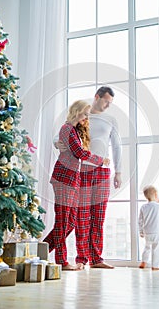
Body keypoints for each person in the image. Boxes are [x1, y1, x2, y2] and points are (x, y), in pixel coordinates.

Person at [56, 86, 122, 269]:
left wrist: (119, 172)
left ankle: (96, 258)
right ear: (97, 97)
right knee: (82, 216)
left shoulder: (110, 120)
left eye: (110, 103)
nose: (108, 105)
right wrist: (57, 143)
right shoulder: (82, 115)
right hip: (82, 171)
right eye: (106, 101)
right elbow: (61, 134)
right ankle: (82, 258)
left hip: (103, 172)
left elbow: (117, 147)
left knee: (99, 216)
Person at [43, 100, 110, 271]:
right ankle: (62, 262)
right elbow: (79, 153)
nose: (87, 117)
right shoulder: (67, 129)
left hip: (73, 179)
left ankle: (41, 251)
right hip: (63, 178)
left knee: (70, 222)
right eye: (85, 114)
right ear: (77, 111)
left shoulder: (74, 130)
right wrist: (100, 160)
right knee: (63, 221)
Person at [138, 185, 159, 270]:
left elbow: (140, 221)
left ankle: (143, 261)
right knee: (156, 249)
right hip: (157, 232)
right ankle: (155, 265)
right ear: (156, 195)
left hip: (147, 232)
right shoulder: (158, 206)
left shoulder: (143, 207)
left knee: (147, 247)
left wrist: (141, 232)